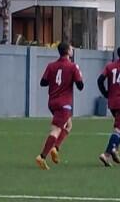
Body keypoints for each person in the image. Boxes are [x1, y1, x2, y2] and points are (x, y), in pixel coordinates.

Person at [35, 42, 84, 170]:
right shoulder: (73, 67)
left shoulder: (51, 66)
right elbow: (80, 86)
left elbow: (43, 83)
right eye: (71, 48)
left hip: (52, 102)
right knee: (56, 130)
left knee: (68, 125)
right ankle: (42, 156)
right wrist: (78, 78)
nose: (73, 49)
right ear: (68, 51)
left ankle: (55, 148)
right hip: (64, 104)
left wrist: (56, 82)